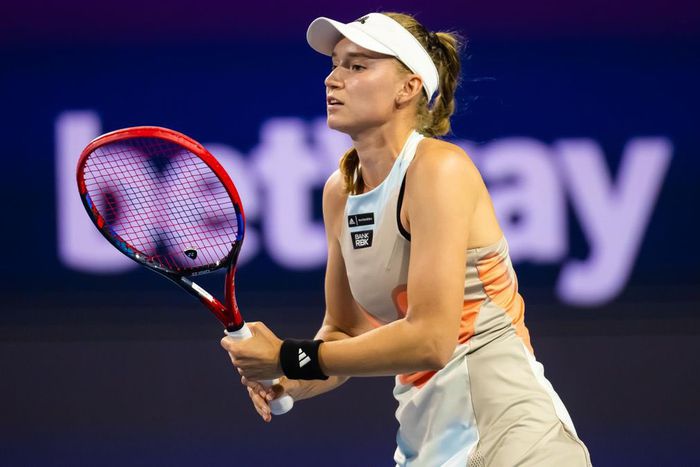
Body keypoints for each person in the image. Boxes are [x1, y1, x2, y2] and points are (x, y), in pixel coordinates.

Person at [221, 12, 592, 466]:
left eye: (357, 66)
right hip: (429, 450)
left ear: (408, 88)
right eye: (335, 65)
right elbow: (344, 332)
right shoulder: (340, 192)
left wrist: (288, 356)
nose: (332, 79)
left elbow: (431, 340)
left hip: (517, 441)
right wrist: (289, 381)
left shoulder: (439, 169)